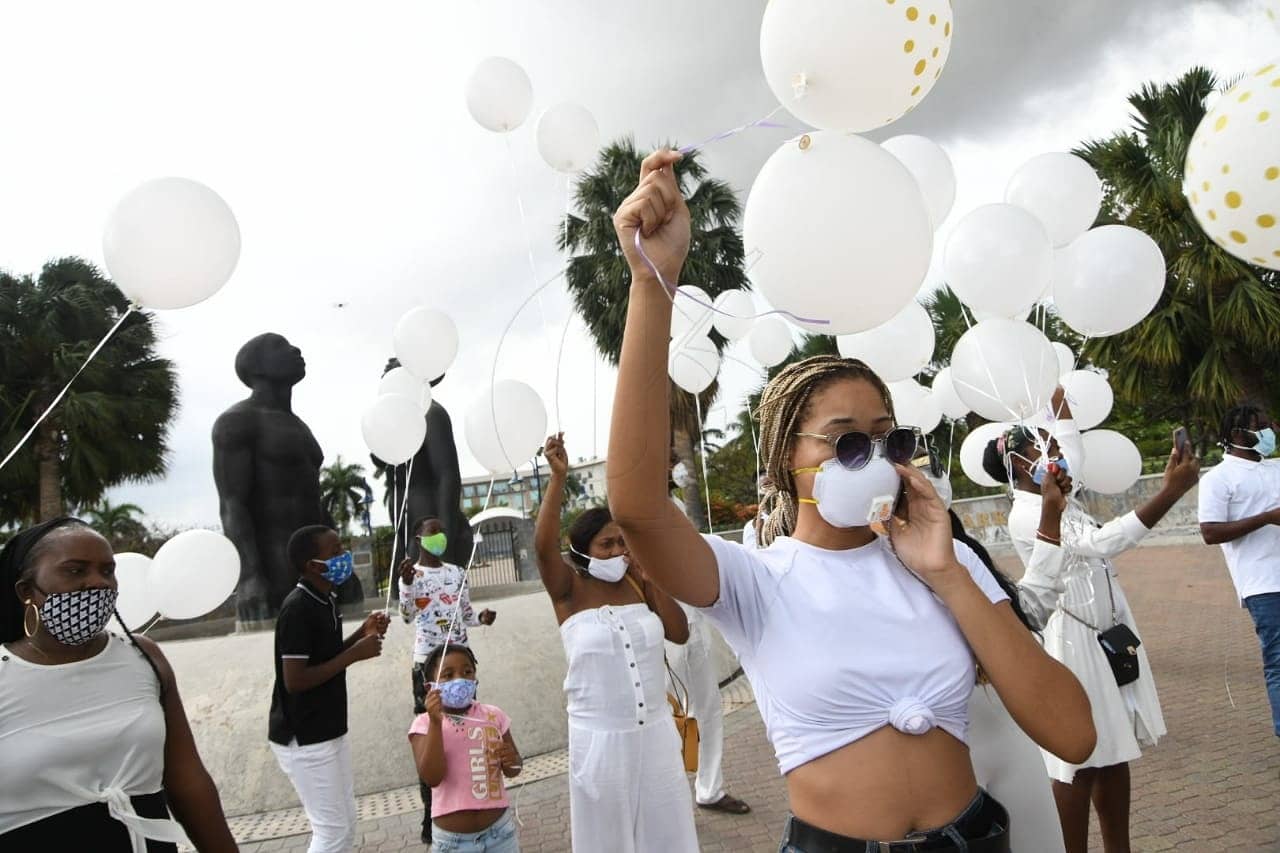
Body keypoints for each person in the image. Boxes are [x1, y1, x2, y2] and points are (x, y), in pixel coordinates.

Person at [606, 149, 1095, 852]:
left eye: (887, 441)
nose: (874, 461)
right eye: (845, 443)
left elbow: (1073, 731)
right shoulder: (756, 580)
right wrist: (653, 283)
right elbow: (637, 506)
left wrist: (950, 574)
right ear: (785, 459)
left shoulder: (945, 561)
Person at [982, 405, 1199, 853]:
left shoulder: (1067, 500)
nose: (1057, 454)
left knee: (1114, 751)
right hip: (1071, 642)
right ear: (1020, 464)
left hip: (1105, 634)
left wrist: (1062, 410)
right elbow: (1101, 544)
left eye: (1056, 445)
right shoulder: (1026, 512)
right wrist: (1170, 494)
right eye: (1045, 448)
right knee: (1076, 758)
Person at [0, 517, 237, 851]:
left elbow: (188, 780)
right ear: (26, 591)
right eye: (75, 570)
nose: (97, 582)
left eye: (107, 570)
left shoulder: (142, 655)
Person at [534, 431, 699, 853]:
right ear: (584, 551)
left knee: (668, 836)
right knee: (607, 841)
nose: (617, 551)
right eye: (606, 544)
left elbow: (679, 632)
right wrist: (558, 479)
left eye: (622, 543)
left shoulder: (638, 583)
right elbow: (542, 546)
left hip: (658, 736)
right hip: (600, 742)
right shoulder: (567, 590)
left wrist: (650, 578)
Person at [920, 445, 1070, 853]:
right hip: (931, 769)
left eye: (928, 461)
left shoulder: (965, 556)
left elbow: (1030, 614)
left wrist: (1051, 517)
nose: (921, 472)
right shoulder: (860, 575)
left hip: (1010, 744)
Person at [213, 333, 360, 623]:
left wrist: (341, 564)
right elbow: (232, 504)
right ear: (255, 367)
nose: (295, 349)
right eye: (279, 346)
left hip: (322, 568)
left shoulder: (300, 427)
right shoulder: (237, 422)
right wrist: (249, 577)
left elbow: (314, 500)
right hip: (275, 569)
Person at [268, 525, 390, 853]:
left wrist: (360, 635)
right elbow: (295, 679)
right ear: (312, 565)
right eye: (335, 551)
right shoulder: (298, 607)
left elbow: (325, 656)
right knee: (332, 830)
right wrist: (354, 654)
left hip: (327, 728)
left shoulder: (324, 599)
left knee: (345, 822)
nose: (343, 557)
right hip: (304, 737)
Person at [399, 515, 497, 843]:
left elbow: (466, 613)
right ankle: (432, 819)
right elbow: (406, 615)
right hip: (430, 667)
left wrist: (481, 619)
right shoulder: (413, 576)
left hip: (460, 662)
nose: (438, 537)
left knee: (468, 734)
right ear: (418, 538)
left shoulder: (456, 572)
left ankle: (471, 803)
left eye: (441, 531)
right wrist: (407, 585)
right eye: (432, 533)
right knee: (433, 737)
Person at [1197, 404, 1280, 735]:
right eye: (1260, 427)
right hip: (1263, 584)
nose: (1268, 432)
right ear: (1236, 434)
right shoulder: (1218, 479)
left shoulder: (1274, 467)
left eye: (1268, 425)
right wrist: (1266, 518)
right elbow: (1210, 532)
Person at [409, 644, 522, 852]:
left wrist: (511, 760)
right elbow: (432, 777)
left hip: (501, 835)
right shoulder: (424, 725)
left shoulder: (493, 716)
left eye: (467, 672)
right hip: (452, 843)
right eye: (448, 675)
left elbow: (514, 768)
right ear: (430, 687)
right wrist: (436, 723)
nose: (459, 679)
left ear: (475, 678)